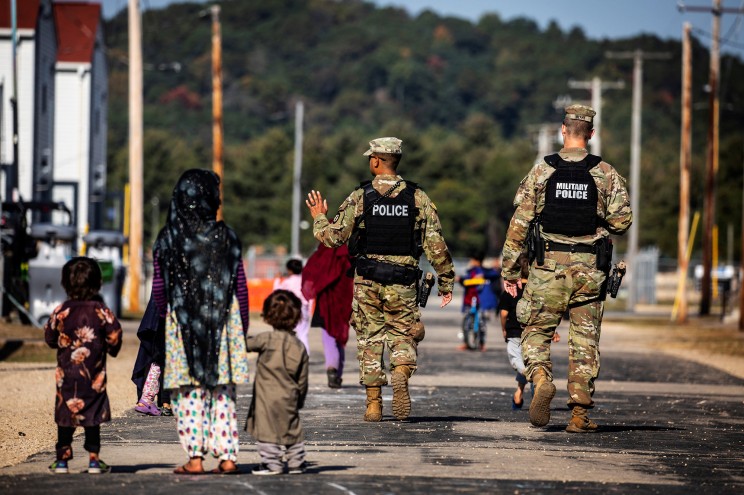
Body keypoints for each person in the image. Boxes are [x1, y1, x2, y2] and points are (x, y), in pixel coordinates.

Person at [501, 105, 632, 432]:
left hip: (547, 270)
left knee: (534, 333)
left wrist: (510, 271)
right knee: (584, 343)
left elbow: (519, 225)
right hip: (590, 272)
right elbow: (622, 222)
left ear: (563, 130)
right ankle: (579, 415)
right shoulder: (606, 173)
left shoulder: (541, 172)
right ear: (590, 133)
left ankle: (542, 377)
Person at [306, 136, 455, 422]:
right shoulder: (418, 197)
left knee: (369, 339)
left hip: (368, 281)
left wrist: (319, 217)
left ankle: (373, 404)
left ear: (375, 161)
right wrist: (446, 282)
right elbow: (436, 246)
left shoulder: (360, 197)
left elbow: (333, 238)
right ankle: (400, 372)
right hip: (404, 282)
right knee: (403, 335)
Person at [153, 169, 250, 474]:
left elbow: (159, 288)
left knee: (187, 393)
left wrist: (164, 317)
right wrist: (241, 328)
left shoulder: (168, 238)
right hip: (224, 323)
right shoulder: (227, 236)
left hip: (182, 323)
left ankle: (195, 458)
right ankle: (228, 457)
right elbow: (240, 287)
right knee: (222, 392)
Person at [44, 257, 123, 474]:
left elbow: (50, 335)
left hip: (66, 375)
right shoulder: (100, 310)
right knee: (92, 415)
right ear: (98, 283)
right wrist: (110, 349)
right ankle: (94, 460)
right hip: (93, 374)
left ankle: (62, 461)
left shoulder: (62, 310)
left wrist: (57, 344)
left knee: (65, 414)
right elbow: (115, 335)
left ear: (65, 284)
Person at [245, 290, 309, 475]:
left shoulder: (265, 339)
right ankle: (296, 463)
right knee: (292, 429)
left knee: (266, 432)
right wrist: (300, 399)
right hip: (289, 395)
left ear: (266, 317)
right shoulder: (299, 346)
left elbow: (244, 344)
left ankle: (272, 463)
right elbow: (302, 379)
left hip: (265, 398)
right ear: (297, 317)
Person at [498, 256, 559, 409]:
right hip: (535, 333)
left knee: (518, 363)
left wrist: (504, 329)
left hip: (514, 333)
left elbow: (504, 314)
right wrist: (552, 331)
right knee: (533, 362)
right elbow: (546, 314)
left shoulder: (510, 291)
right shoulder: (538, 292)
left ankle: (533, 381)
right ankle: (522, 390)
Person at [301, 244, 354, 389]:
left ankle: (331, 367)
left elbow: (310, 274)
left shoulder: (321, 255)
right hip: (344, 301)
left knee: (328, 335)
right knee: (340, 336)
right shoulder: (348, 254)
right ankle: (337, 374)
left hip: (325, 302)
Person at [131, 296, 171, 416]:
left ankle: (151, 399)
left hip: (158, 310)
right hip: (167, 310)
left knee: (157, 356)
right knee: (162, 357)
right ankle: (160, 401)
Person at [456, 252, 501, 351]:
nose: (471, 262)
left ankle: (482, 343)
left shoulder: (485, 271)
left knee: (481, 323)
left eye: (472, 260)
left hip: (480, 300)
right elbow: (465, 280)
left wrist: (483, 275)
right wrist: (460, 279)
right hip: (469, 299)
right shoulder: (470, 271)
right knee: (466, 323)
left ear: (477, 261)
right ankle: (466, 342)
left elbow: (495, 274)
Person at [273, 258, 311, 354]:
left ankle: (291, 354)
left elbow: (277, 292)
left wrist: (277, 279)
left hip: (292, 309)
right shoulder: (306, 281)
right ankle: (305, 354)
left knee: (290, 333)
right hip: (304, 309)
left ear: (289, 270)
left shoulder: (287, 282)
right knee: (303, 334)